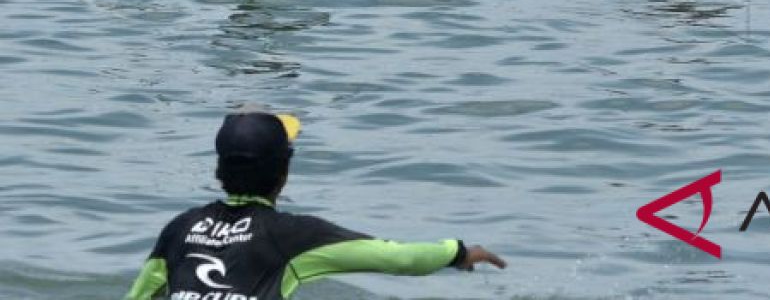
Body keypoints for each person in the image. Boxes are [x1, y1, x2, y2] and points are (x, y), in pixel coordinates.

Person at [123, 110, 506, 300]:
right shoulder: (293, 236)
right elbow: (398, 259)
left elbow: (138, 296)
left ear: (219, 168)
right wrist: (457, 252)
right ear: (284, 173)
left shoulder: (179, 229)